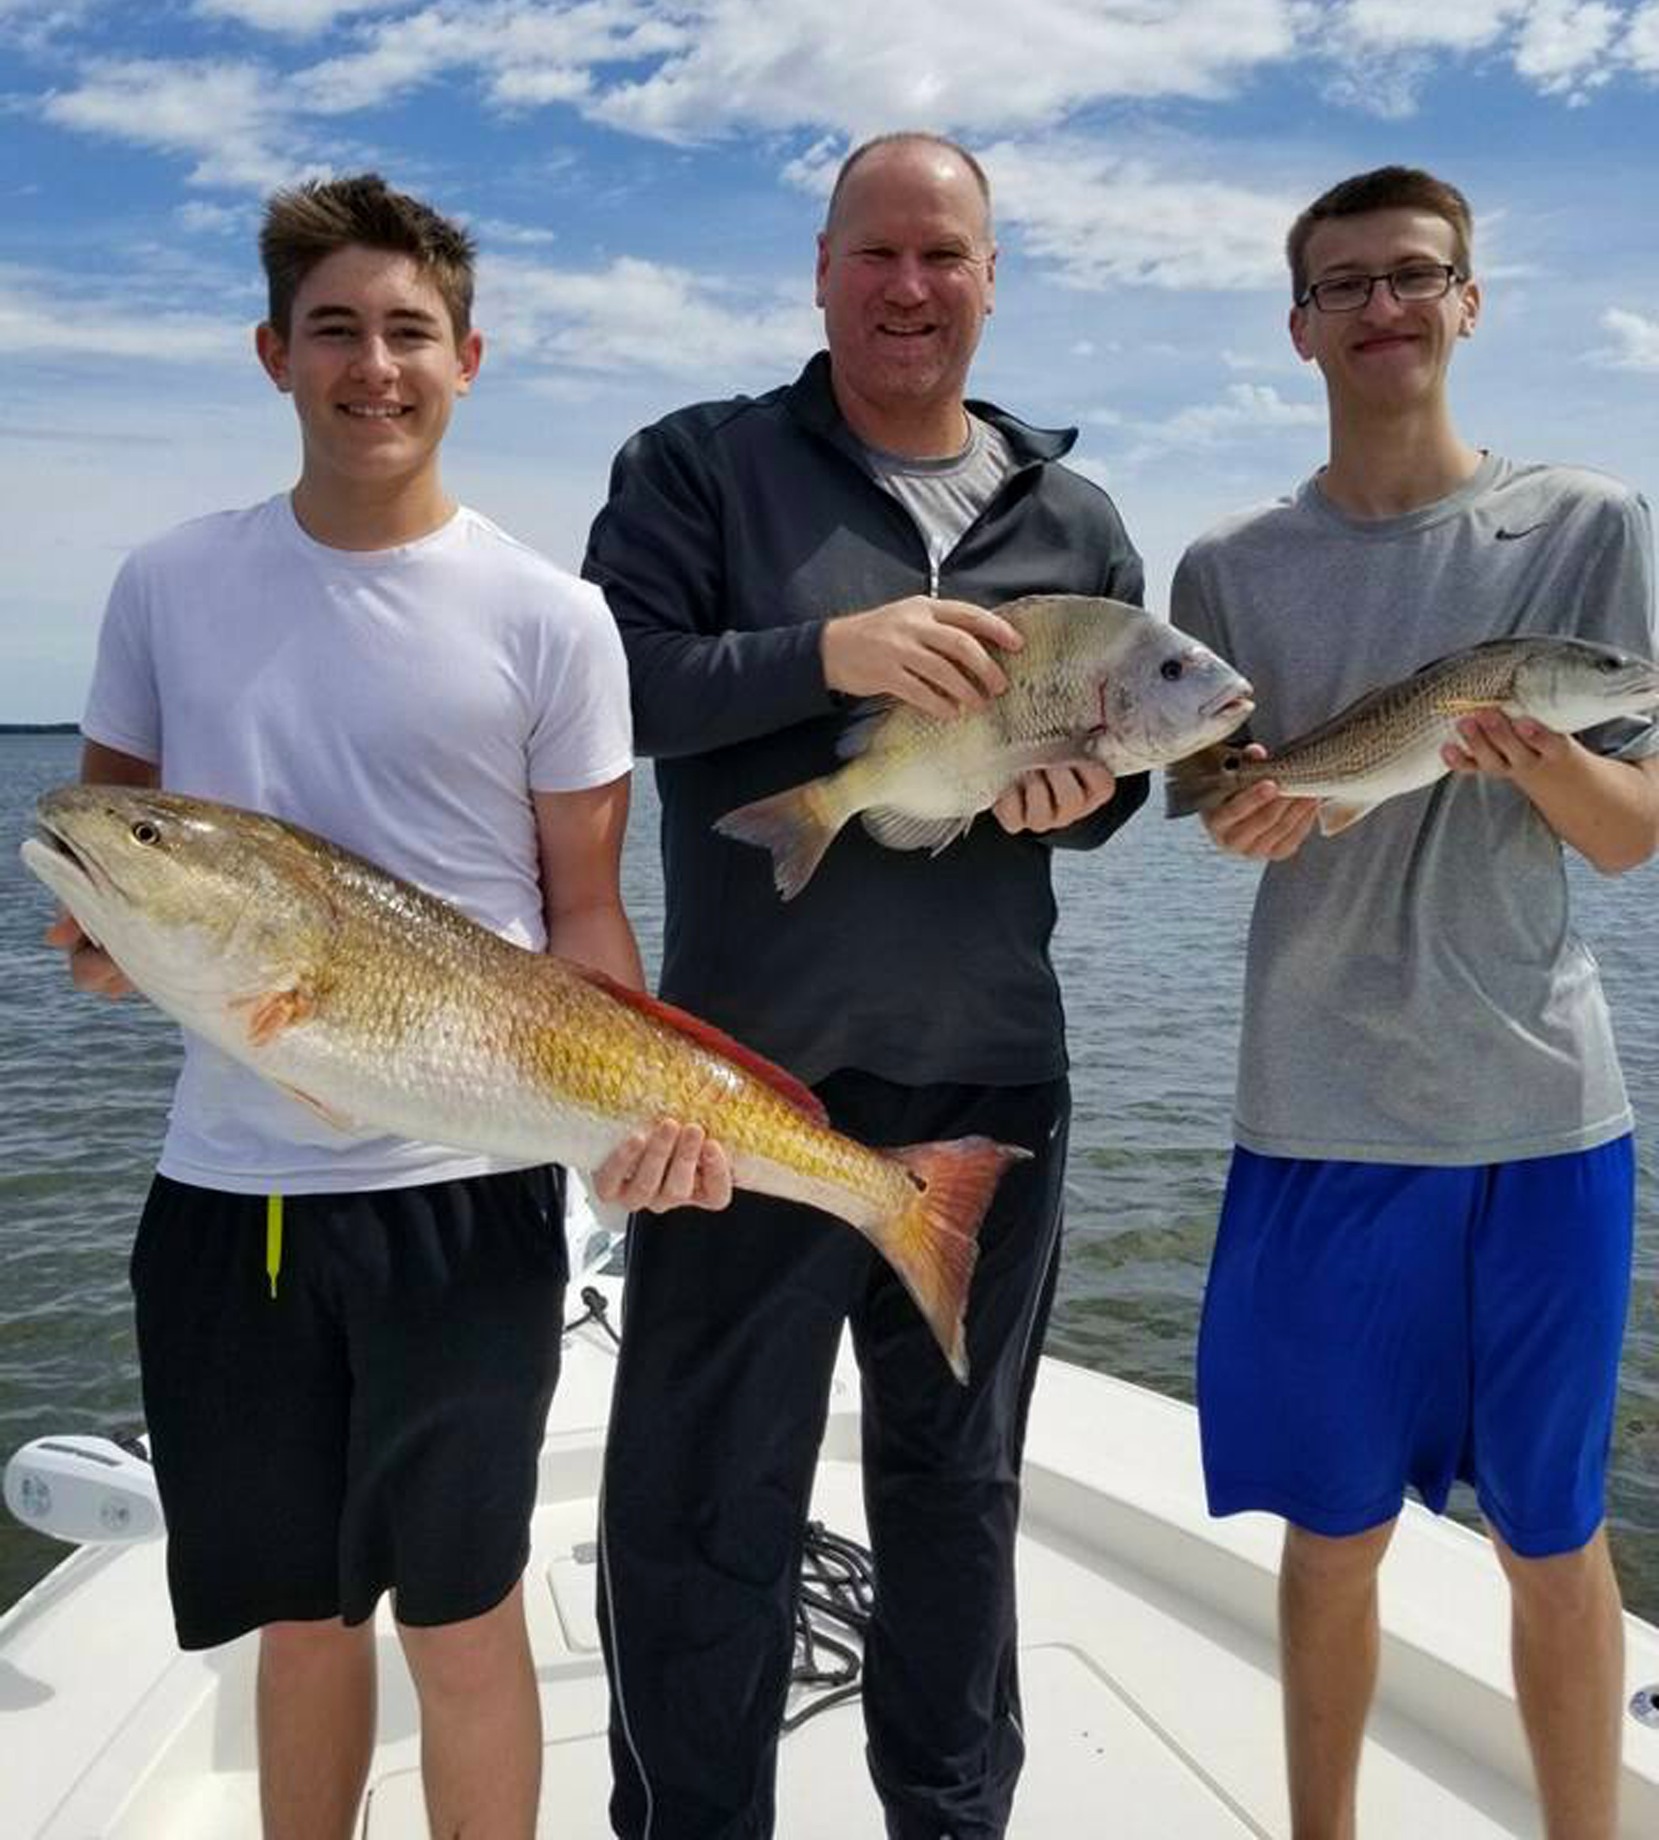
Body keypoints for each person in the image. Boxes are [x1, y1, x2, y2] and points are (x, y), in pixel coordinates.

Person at [47, 173, 731, 1840]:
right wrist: (103, 943)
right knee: (300, 1622)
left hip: (465, 1196)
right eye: (335, 330)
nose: (375, 366)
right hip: (229, 1200)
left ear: (468, 359)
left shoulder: (553, 616)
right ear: (272, 352)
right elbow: (102, 840)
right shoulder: (168, 583)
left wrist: (647, 1121)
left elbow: (584, 916)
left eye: (409, 332)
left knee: (464, 1618)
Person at [582, 130, 1148, 1840]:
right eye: (878, 253)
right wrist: (828, 653)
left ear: (992, 280)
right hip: (737, 1088)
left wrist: (1082, 796)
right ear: (821, 269)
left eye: (943, 255)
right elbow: (609, 685)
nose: (911, 287)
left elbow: (1121, 781)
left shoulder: (1077, 520)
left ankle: (951, 1821)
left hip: (993, 1077)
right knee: (702, 1501)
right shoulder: (699, 466)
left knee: (957, 1492)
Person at [1171, 164, 1659, 1840]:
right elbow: (1223, 803)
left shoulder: (1586, 526)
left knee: (1555, 1533)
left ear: (1470, 300)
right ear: (1298, 325)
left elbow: (1630, 833)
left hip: (1540, 1118)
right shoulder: (1229, 566)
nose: (1384, 306)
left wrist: (1535, 757)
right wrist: (1245, 817)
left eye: (1415, 275)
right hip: (1318, 1112)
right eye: (1347, 284)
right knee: (1333, 1534)